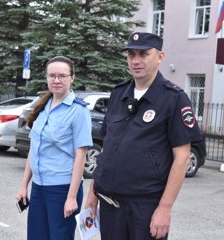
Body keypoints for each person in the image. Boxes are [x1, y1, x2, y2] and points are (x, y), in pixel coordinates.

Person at [85, 32, 203, 240]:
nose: (136, 61)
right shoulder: (118, 94)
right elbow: (107, 149)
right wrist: (93, 194)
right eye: (131, 54)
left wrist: (165, 208)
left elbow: (182, 158)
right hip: (110, 205)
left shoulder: (174, 98)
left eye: (143, 54)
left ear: (160, 57)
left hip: (145, 208)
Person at [16, 56, 93, 240]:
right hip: (39, 187)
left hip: (62, 189)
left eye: (62, 75)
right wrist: (23, 186)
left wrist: (72, 197)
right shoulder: (43, 107)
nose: (56, 80)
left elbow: (80, 157)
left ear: (72, 78)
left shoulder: (79, 111)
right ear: (47, 78)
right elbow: (33, 151)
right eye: (52, 75)